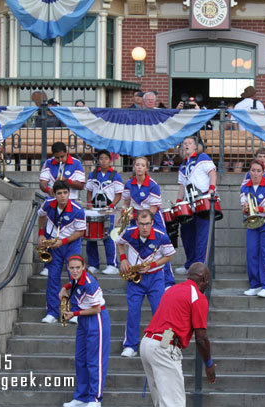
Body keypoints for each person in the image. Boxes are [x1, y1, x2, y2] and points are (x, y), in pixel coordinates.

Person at [140, 262, 216, 407]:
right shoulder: (197, 297)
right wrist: (209, 363)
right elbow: (201, 338)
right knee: (173, 404)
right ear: (205, 279)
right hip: (163, 347)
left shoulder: (172, 289)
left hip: (148, 343)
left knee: (161, 402)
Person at [116, 210, 175, 358]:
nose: (144, 227)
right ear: (136, 223)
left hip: (155, 277)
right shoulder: (129, 232)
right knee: (133, 312)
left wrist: (153, 264)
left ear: (152, 223)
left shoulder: (161, 236)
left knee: (160, 312)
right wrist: (123, 259)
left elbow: (169, 255)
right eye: (141, 224)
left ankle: (163, 345)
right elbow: (119, 243)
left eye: (147, 224)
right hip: (135, 278)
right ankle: (130, 345)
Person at [59, 255, 110, 407]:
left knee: (95, 361)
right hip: (83, 320)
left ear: (83, 267)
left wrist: (72, 314)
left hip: (97, 319)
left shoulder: (90, 283)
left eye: (77, 268)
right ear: (68, 268)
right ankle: (81, 396)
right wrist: (65, 288)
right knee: (80, 359)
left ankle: (95, 399)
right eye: (71, 268)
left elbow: (96, 308)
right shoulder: (76, 279)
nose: (74, 271)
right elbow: (72, 283)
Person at [122, 156, 175, 288]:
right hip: (136, 219)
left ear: (146, 168)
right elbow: (126, 202)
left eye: (142, 165)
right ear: (134, 167)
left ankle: (168, 282)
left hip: (153, 220)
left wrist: (132, 216)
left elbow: (151, 211)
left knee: (162, 249)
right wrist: (125, 214)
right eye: (137, 165)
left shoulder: (153, 185)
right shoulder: (129, 184)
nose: (139, 167)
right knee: (136, 248)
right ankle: (135, 279)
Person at [37, 180, 86, 324]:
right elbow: (41, 215)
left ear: (69, 193)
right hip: (54, 246)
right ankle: (52, 313)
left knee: (75, 277)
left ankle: (75, 312)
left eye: (65, 193)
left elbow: (81, 231)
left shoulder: (77, 209)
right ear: (55, 194)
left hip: (71, 245)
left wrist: (63, 242)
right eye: (59, 193)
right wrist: (41, 234)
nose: (63, 196)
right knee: (53, 278)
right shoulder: (48, 204)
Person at [175, 136, 217, 274]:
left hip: (202, 200)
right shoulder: (183, 166)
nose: (186, 145)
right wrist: (178, 202)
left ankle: (199, 267)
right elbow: (182, 186)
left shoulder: (202, 157)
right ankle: (190, 264)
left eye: (189, 143)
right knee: (186, 234)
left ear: (195, 147)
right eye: (184, 143)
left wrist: (211, 190)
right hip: (189, 203)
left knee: (201, 235)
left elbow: (212, 173)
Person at [240, 160, 265, 298]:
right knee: (251, 253)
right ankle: (255, 285)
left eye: (259, 171)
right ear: (249, 171)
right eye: (253, 170)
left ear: (263, 173)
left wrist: (259, 209)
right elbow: (243, 209)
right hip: (254, 222)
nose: (255, 174)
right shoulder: (245, 187)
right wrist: (246, 209)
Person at [85, 150, 123, 275]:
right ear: (98, 160)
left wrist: (111, 206)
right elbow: (89, 191)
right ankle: (93, 264)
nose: (103, 161)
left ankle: (112, 265)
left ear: (110, 160)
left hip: (108, 211)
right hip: (94, 210)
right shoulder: (93, 174)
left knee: (108, 238)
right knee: (91, 237)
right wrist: (89, 204)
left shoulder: (115, 175)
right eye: (101, 158)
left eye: (106, 158)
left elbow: (118, 194)